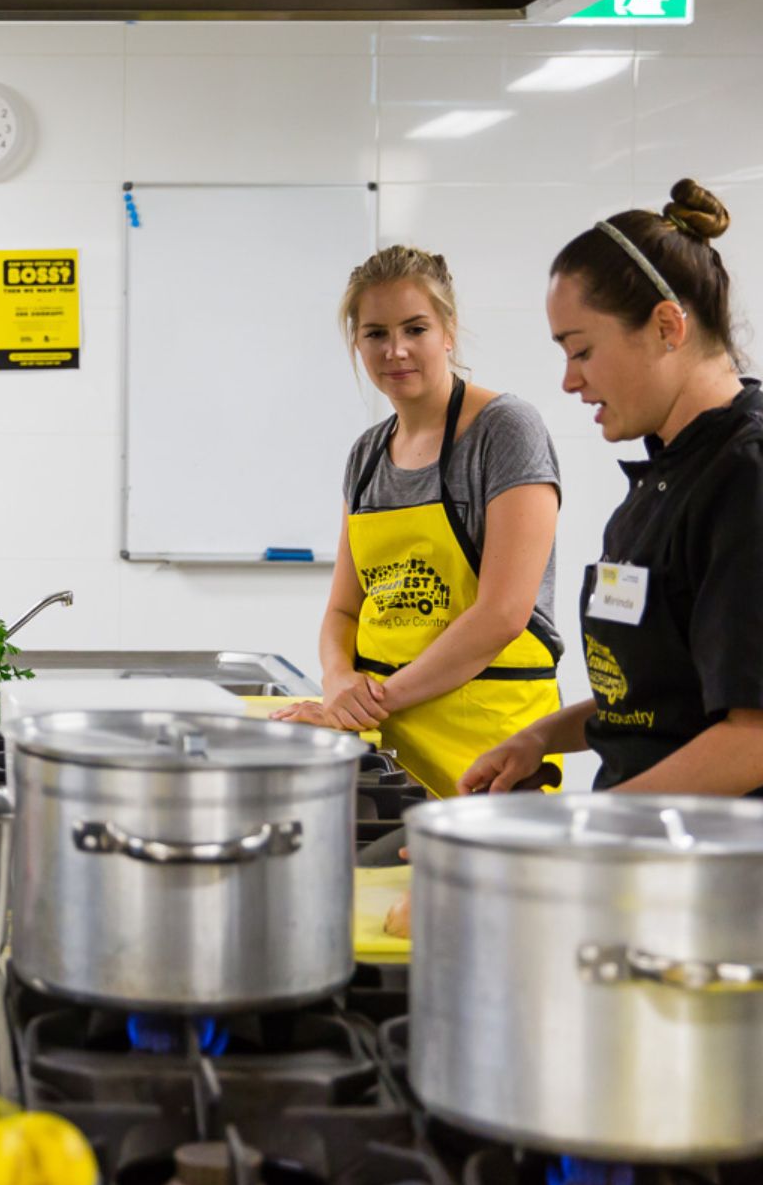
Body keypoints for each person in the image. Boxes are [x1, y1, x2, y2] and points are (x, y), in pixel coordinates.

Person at [464, 180, 763, 796]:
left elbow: (751, 739)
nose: (570, 381)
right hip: (640, 853)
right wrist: (541, 737)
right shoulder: (665, 476)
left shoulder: (746, 479)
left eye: (581, 351)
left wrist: (576, 836)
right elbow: (658, 698)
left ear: (665, 326)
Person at [275, 246, 563, 798]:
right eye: (375, 333)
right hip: (386, 747)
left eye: (416, 328)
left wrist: (371, 701)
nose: (396, 350)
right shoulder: (366, 456)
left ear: (449, 332)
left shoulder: (504, 431)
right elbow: (343, 609)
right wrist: (339, 683)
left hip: (491, 755)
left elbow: (502, 615)